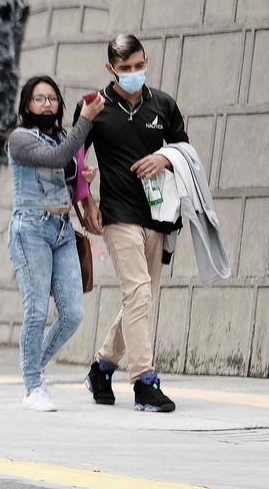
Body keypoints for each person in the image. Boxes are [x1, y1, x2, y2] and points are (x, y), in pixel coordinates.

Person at [74, 34, 188, 413]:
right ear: (111, 69)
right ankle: (144, 381)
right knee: (137, 293)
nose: (134, 72)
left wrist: (164, 159)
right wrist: (87, 203)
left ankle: (102, 368)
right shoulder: (94, 107)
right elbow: (74, 160)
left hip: (158, 214)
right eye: (125, 68)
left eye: (139, 65)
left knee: (141, 298)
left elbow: (184, 150)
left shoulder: (163, 105)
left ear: (146, 61)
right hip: (118, 215)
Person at [6, 75, 104, 411]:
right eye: (39, 99)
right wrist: (85, 121)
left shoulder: (63, 136)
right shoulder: (19, 138)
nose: (47, 104)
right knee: (36, 311)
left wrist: (85, 181)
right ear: (27, 105)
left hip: (62, 229)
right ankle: (33, 387)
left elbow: (68, 173)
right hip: (30, 230)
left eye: (52, 98)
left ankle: (34, 368)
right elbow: (58, 158)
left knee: (73, 314)